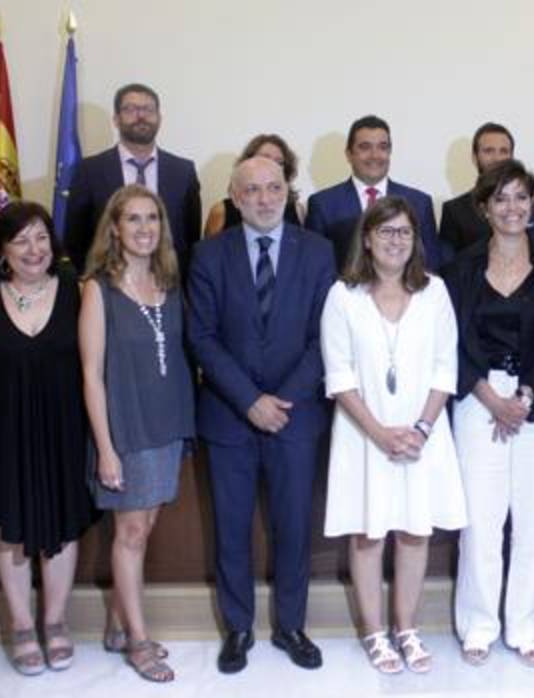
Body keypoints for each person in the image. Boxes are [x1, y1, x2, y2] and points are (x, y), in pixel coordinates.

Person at [187, 156, 336, 674]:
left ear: (288, 193)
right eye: (252, 190)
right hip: (229, 418)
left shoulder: (318, 252)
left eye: (275, 188)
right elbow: (201, 336)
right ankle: (239, 628)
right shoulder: (208, 255)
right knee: (231, 529)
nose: (265, 199)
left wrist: (282, 401)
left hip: (296, 417)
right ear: (234, 195)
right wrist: (250, 400)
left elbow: (325, 338)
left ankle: (292, 625)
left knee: (294, 528)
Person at [321, 196, 467, 675]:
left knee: (414, 531)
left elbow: (446, 368)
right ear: (367, 238)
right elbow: (338, 377)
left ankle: (407, 628)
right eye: (386, 232)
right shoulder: (343, 295)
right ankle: (375, 633)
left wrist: (421, 428)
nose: (395, 241)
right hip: (365, 434)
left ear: (415, 240)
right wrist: (381, 433)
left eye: (404, 232)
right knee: (368, 533)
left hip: (422, 434)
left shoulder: (435, 292)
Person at [442, 159, 534, 667]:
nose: (512, 208)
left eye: (521, 197)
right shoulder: (461, 267)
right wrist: (490, 396)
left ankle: (526, 626)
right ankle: (478, 625)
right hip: (478, 400)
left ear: (533, 206)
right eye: (501, 199)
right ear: (484, 208)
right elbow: (451, 340)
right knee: (481, 519)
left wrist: (525, 396)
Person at [0, 201, 97, 675]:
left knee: (60, 525)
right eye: (20, 240)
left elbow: (93, 366)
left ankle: (55, 621)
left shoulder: (77, 292)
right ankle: (22, 625)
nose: (33, 249)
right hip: (1, 426)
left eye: (41, 237)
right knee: (11, 528)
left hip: (63, 424)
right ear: (2, 249)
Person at [79, 184, 195, 683]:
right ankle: (139, 642)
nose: (145, 229)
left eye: (152, 219)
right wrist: (106, 448)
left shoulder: (170, 282)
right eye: (133, 220)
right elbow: (90, 374)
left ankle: (117, 625)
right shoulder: (98, 288)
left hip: (167, 424)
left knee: (143, 529)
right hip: (125, 428)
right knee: (129, 533)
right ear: (115, 228)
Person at [64, 83, 202, 275]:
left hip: (170, 284)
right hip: (109, 285)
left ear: (159, 118)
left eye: (148, 109)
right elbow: (75, 238)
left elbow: (191, 237)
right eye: (130, 109)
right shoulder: (89, 170)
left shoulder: (183, 171)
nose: (141, 116)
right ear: (116, 119)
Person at [306, 115, 442, 271]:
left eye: (382, 147)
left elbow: (431, 265)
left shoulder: (419, 203)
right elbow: (316, 269)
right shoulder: (322, 204)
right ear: (349, 154)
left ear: (390, 152)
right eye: (365, 147)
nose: (375, 155)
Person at [438, 123, 534, 251]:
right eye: (488, 151)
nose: (497, 158)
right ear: (475, 157)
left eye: (504, 151)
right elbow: (448, 266)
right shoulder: (454, 211)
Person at [203, 134, 304, 236]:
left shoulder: (297, 210)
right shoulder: (221, 212)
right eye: (265, 159)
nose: (271, 166)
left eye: (279, 162)